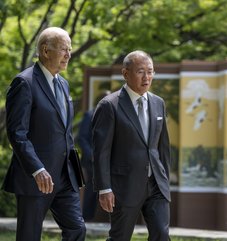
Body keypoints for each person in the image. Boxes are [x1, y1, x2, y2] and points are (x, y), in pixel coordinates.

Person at [2, 27, 86, 241]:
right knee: (29, 236)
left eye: (70, 49)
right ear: (46, 51)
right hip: (36, 177)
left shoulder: (63, 84)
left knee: (77, 230)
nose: (68, 55)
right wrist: (36, 169)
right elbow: (17, 133)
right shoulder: (24, 83)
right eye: (63, 49)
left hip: (65, 176)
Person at [92, 50, 171, 241]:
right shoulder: (109, 105)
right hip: (124, 186)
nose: (147, 77)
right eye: (141, 71)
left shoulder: (158, 103)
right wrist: (104, 188)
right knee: (120, 237)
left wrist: (165, 180)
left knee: (161, 233)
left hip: (156, 185)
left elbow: (163, 148)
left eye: (150, 71)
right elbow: (101, 151)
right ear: (125, 73)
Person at [77, 90, 111, 221]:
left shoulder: (111, 116)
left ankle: (110, 220)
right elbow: (81, 138)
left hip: (108, 161)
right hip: (92, 161)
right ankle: (86, 218)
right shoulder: (89, 115)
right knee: (92, 189)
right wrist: (92, 155)